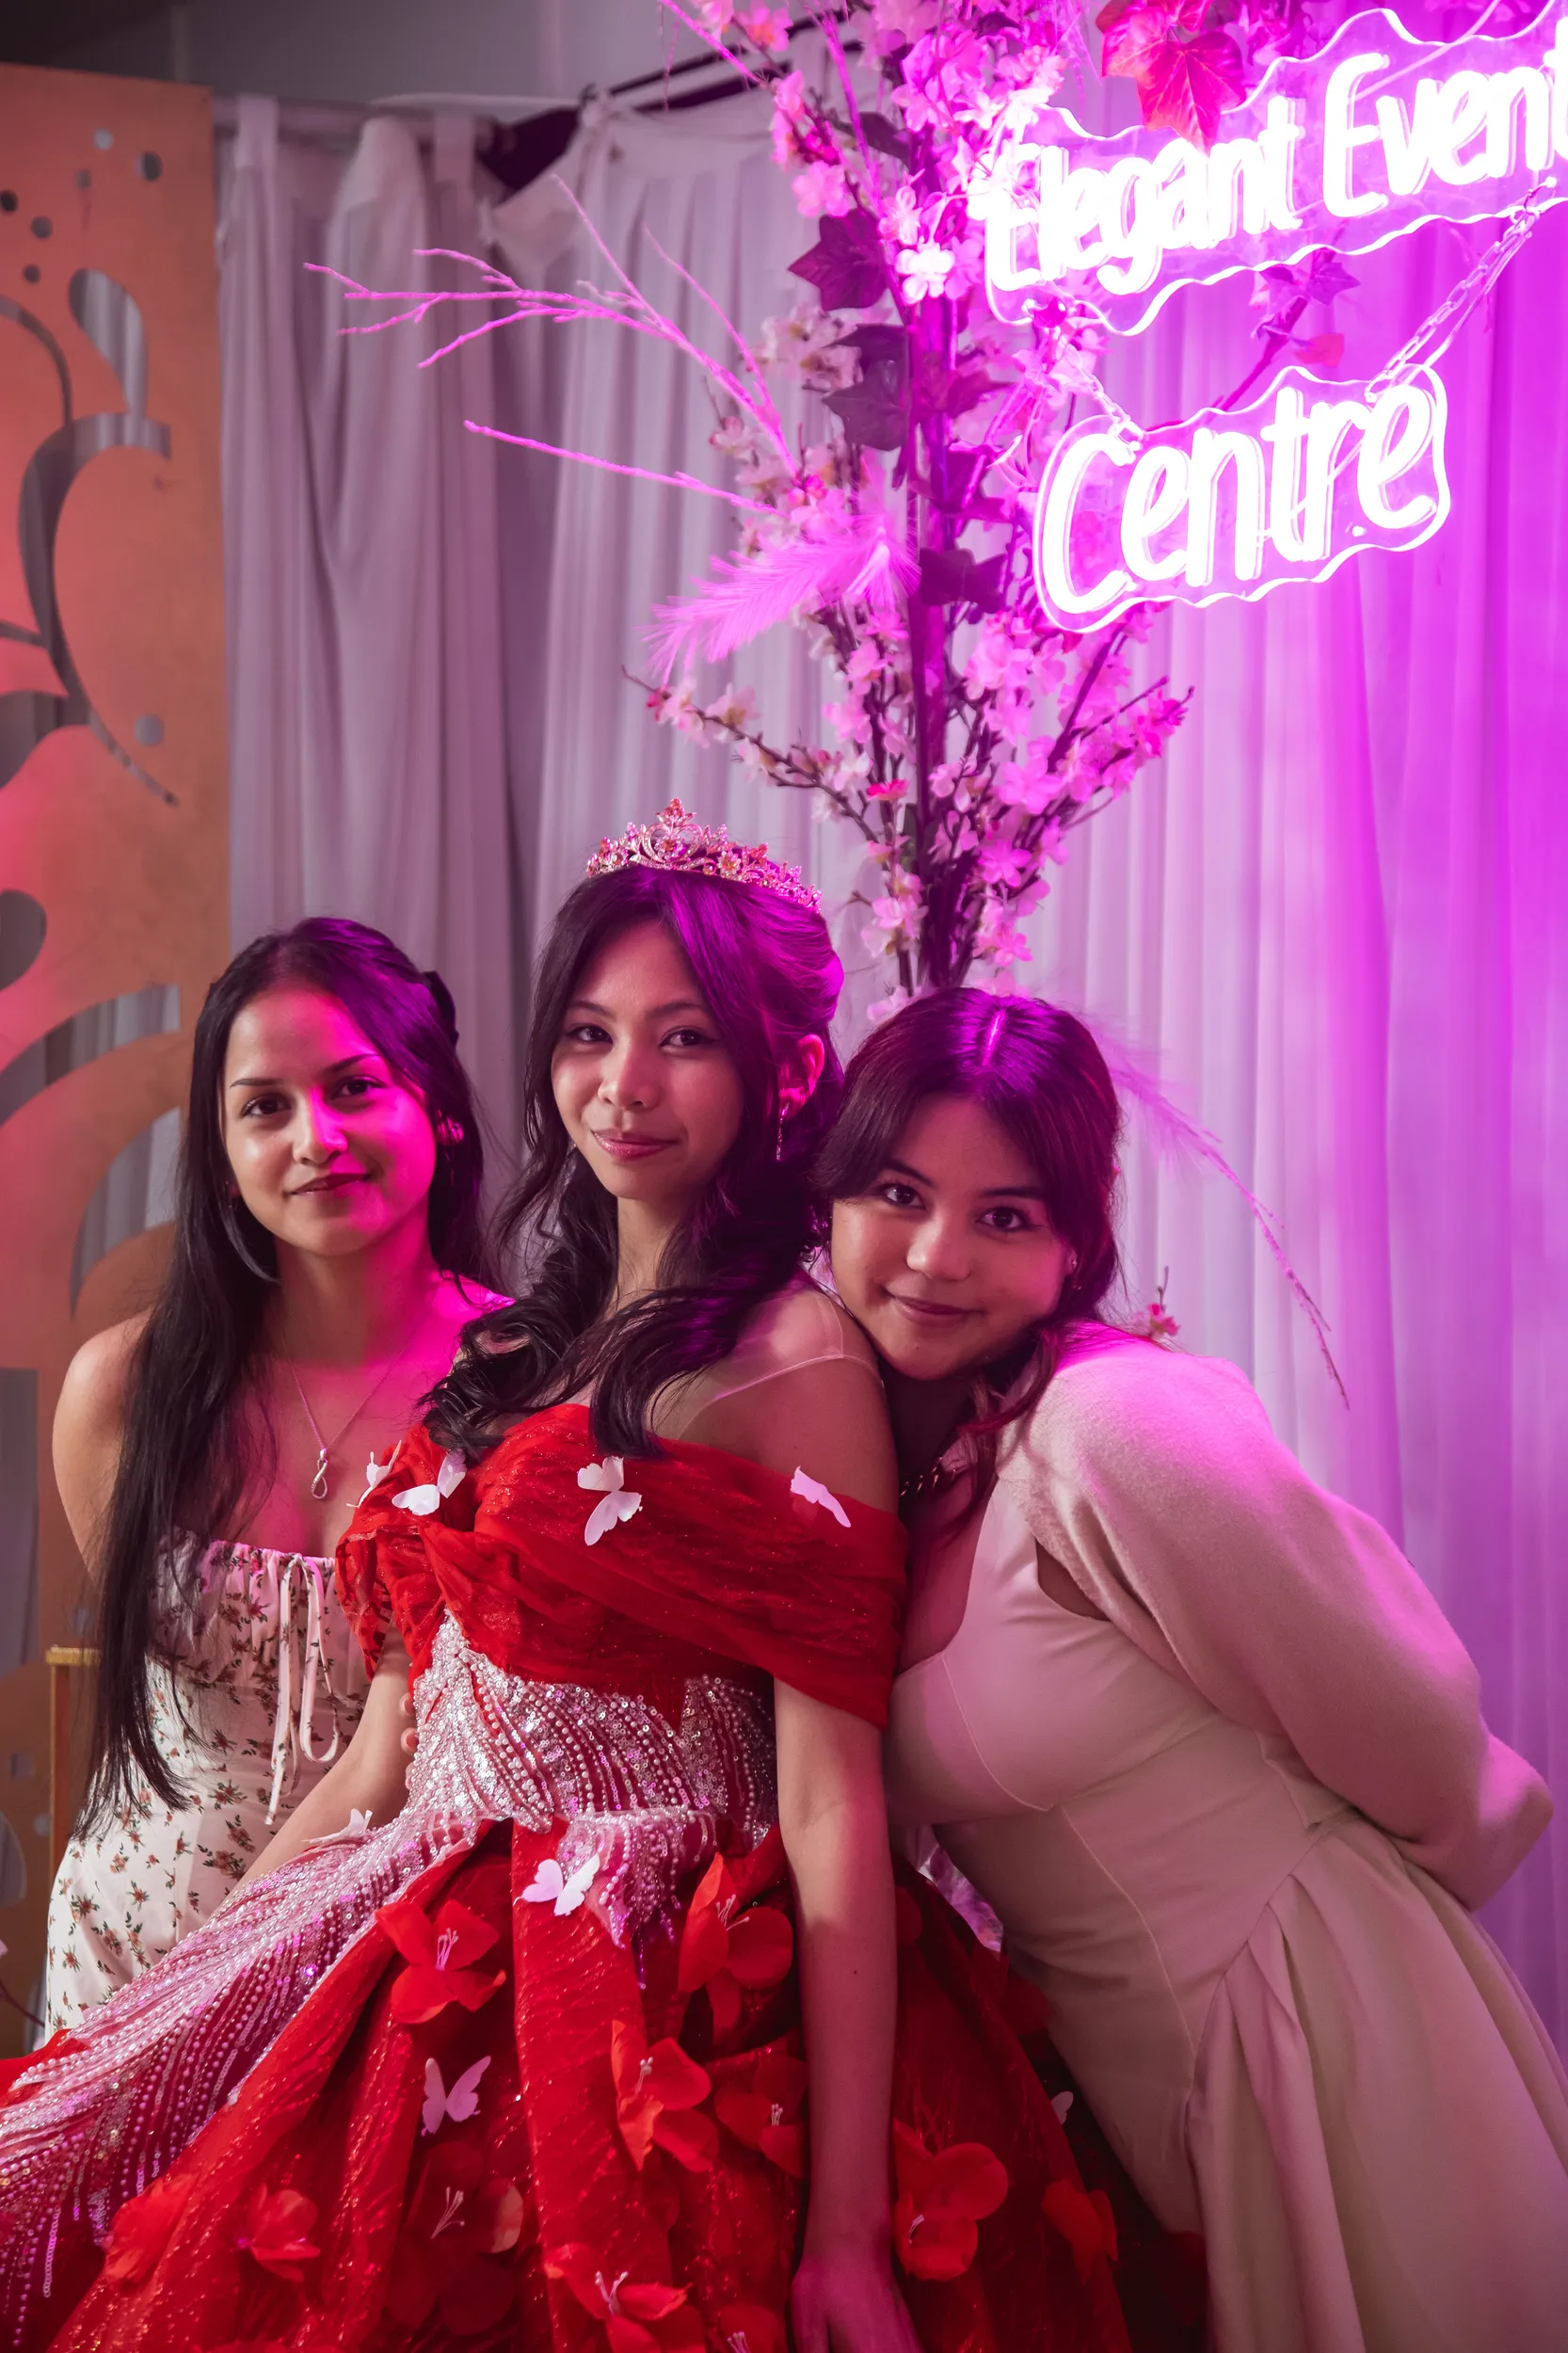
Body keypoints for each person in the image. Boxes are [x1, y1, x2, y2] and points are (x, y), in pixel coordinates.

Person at [0, 810, 1143, 2353]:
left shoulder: (789, 1360)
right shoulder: (513, 1347)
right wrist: (204, 2004)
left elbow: (829, 1802)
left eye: (683, 1039)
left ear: (782, 1073)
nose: (625, 1083)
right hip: (418, 1946)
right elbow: (383, 1753)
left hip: (654, 1998)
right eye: (592, 1034)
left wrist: (852, 2231)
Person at [821, 985, 1568, 2353]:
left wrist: (1350, 1942)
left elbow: (1406, 1713)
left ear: (1072, 1246)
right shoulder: (887, 1470)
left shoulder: (1114, 1427)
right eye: (896, 1191)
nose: (934, 1256)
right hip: (1132, 2094)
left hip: (1326, 2036)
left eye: (1005, 1216)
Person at [44, 917, 505, 2033]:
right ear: (220, 1147)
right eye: (265, 1106)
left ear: (436, 1102)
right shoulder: (125, 1390)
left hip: (398, 1974)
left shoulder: (524, 1388)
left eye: (354, 1088)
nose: (315, 1138)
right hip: (133, 1944)